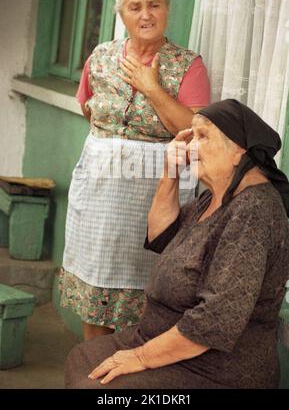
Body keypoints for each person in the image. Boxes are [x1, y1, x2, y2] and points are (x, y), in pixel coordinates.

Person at [65, 99, 289, 389]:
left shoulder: (254, 210)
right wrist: (170, 173)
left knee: (101, 388)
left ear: (239, 150)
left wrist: (142, 357)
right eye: (191, 136)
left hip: (215, 368)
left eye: (203, 136)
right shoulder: (214, 197)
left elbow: (216, 319)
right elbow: (162, 235)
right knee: (83, 357)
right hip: (160, 338)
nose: (190, 147)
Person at [59, 0, 210, 341]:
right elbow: (88, 106)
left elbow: (191, 129)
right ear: (121, 14)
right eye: (135, 6)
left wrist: (151, 88)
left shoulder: (188, 65)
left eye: (154, 5)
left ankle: (133, 376)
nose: (146, 14)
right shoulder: (101, 56)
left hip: (153, 192)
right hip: (100, 191)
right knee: (96, 286)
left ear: (166, 10)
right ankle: (95, 378)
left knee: (143, 288)